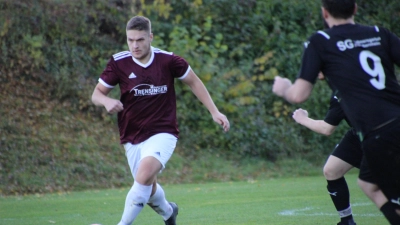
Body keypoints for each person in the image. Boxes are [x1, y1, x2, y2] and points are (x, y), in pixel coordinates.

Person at [91, 16, 230, 225]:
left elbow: (194, 82)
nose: (135, 45)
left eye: (140, 40)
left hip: (163, 131)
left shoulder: (169, 61)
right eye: (130, 40)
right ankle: (168, 212)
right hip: (131, 135)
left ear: (151, 37)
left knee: (144, 174)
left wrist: (214, 111)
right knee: (148, 185)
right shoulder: (119, 62)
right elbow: (96, 94)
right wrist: (105, 101)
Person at [272, 0, 400, 224]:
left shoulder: (321, 41)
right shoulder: (379, 33)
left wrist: (283, 88)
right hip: (384, 126)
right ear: (355, 9)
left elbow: (298, 95)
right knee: (368, 184)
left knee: (382, 192)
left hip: (380, 131)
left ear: (325, 12)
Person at [293, 91, 387, 225]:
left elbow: (326, 129)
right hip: (359, 133)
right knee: (332, 170)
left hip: (382, 135)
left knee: (382, 182)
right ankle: (347, 221)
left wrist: (303, 119)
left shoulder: (346, 87)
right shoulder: (339, 90)